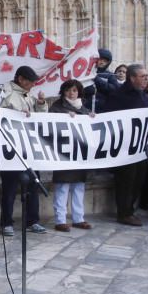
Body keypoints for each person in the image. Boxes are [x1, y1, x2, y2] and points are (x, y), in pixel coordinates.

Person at [100, 63, 148, 226]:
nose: (146, 80)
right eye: (142, 76)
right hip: (125, 147)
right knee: (126, 181)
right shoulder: (119, 96)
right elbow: (110, 117)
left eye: (146, 76)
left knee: (138, 180)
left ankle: (130, 210)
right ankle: (124, 212)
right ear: (132, 77)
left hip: (140, 147)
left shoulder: (143, 95)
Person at [0, 65, 48, 236]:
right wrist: (18, 114)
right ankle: (7, 223)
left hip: (29, 148)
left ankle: (32, 221)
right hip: (11, 148)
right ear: (20, 79)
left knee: (33, 185)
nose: (33, 85)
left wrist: (41, 104)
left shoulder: (29, 96)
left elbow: (41, 117)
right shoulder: (6, 93)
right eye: (30, 81)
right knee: (9, 188)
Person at [49, 79, 94, 231]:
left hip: (79, 154)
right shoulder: (57, 107)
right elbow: (50, 125)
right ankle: (60, 220)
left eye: (74, 90)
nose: (71, 93)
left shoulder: (84, 109)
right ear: (63, 91)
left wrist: (92, 118)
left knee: (78, 187)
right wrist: (65, 117)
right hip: (63, 154)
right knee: (62, 187)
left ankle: (78, 218)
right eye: (68, 90)